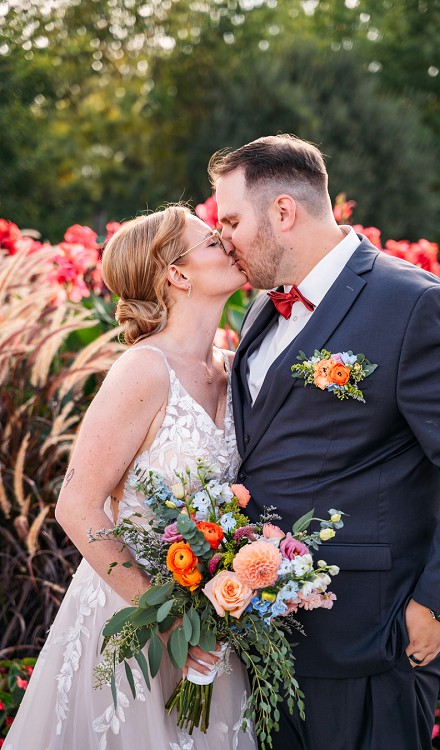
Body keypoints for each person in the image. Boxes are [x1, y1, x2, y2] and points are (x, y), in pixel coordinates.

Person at [208, 134, 440, 750]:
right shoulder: (263, 306)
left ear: (283, 211)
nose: (223, 237)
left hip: (371, 633)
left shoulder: (413, 304)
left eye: (231, 220)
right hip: (268, 632)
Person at [4, 206, 256, 750]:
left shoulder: (235, 367)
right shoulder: (143, 370)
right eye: (213, 240)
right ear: (178, 274)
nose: (230, 244)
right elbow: (77, 506)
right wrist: (163, 622)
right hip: (135, 622)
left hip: (214, 625)